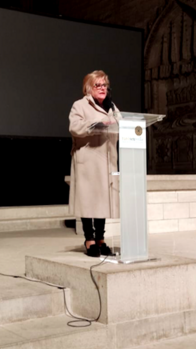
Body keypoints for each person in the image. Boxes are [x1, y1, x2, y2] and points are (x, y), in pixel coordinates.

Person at [68, 70, 121, 257]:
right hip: (88, 160)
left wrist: (113, 118)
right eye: (98, 85)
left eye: (104, 85)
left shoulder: (111, 106)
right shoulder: (79, 105)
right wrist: (96, 124)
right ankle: (89, 239)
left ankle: (101, 239)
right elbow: (74, 127)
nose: (102, 88)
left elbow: (121, 125)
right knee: (88, 200)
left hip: (106, 161)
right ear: (88, 88)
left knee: (102, 200)